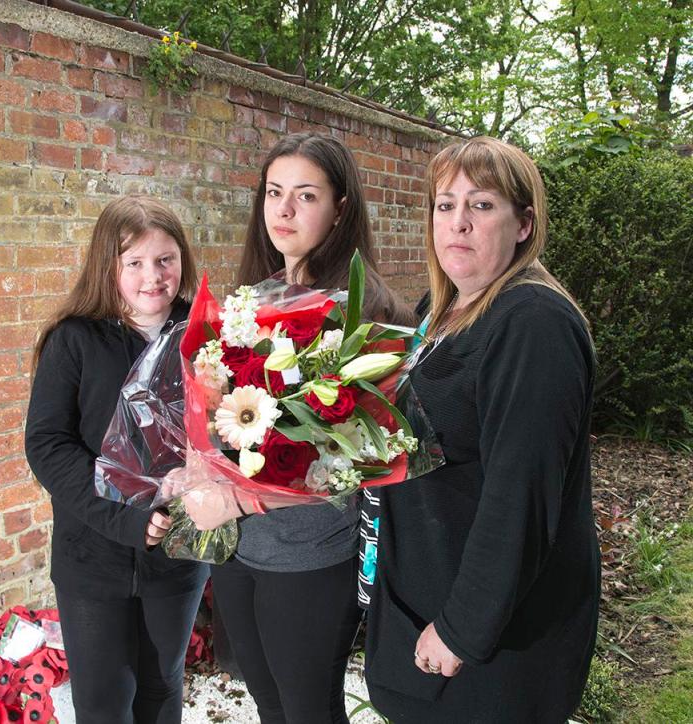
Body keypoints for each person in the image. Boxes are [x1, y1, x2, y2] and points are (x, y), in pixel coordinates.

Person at [361, 136, 600, 723]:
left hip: (492, 647)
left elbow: (520, 496)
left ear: (524, 224)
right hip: (424, 599)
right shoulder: (438, 311)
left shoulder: (532, 324)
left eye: (481, 205)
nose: (458, 223)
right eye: (445, 205)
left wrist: (463, 629)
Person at [186, 133, 414, 724]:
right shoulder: (253, 300)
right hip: (240, 555)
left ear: (341, 208)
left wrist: (236, 499)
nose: (283, 211)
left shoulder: (365, 316)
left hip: (311, 557)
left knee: (309, 710)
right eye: (274, 193)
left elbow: (356, 460)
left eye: (305, 195)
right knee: (266, 701)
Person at [25, 195, 209, 724]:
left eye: (165, 260)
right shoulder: (75, 340)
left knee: (162, 687)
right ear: (109, 267)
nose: (153, 276)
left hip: (178, 555)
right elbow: (48, 444)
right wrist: (120, 514)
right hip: (93, 558)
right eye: (135, 263)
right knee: (104, 701)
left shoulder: (207, 336)